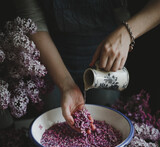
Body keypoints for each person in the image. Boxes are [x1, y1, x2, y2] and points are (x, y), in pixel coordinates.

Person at [13, 0, 160, 129]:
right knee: (53, 119)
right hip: (51, 54)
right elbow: (32, 20)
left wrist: (127, 32)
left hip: (107, 55)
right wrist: (66, 85)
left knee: (106, 111)